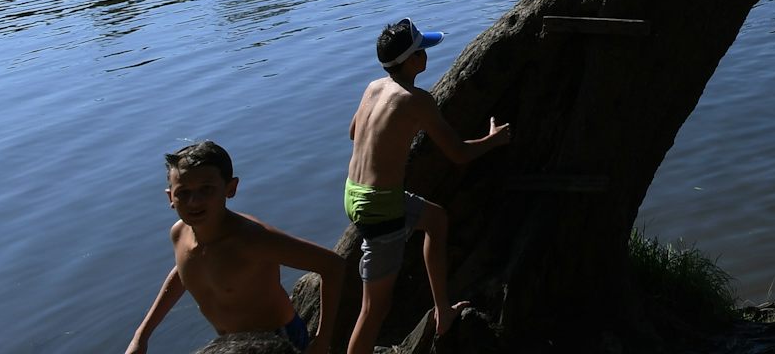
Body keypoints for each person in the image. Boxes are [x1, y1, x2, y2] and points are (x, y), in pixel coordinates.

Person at [345, 19, 512, 354]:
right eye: (421, 50)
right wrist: (494, 141)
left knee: (435, 220)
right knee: (373, 309)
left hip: (354, 192)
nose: (426, 55)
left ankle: (443, 311)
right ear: (411, 60)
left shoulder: (373, 87)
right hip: (379, 208)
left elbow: (353, 132)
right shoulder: (417, 100)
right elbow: (459, 153)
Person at [125, 140, 342, 353]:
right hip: (230, 343)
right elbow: (186, 270)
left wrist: (322, 341)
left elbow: (332, 265)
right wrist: (141, 336)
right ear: (170, 197)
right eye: (183, 192)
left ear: (230, 188)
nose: (194, 202)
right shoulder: (179, 234)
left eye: (206, 189)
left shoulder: (251, 240)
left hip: (277, 342)